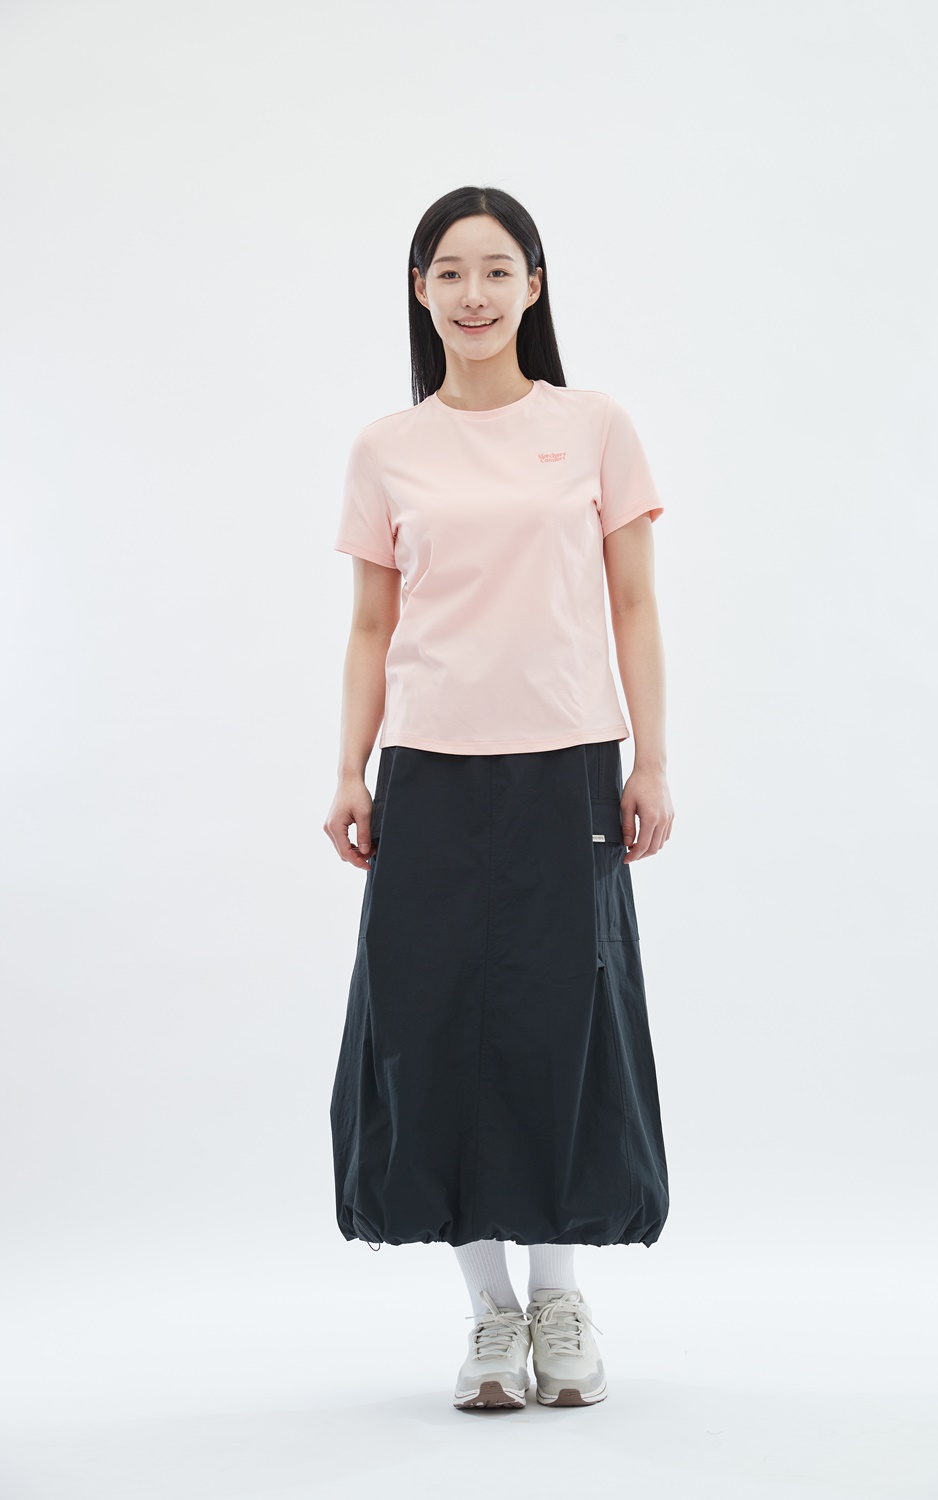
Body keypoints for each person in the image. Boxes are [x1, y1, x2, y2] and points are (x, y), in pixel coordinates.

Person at [324, 185, 674, 1412]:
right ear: (419, 290)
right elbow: (372, 625)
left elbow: (634, 602)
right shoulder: (387, 448)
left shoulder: (593, 428)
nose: (472, 295)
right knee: (432, 1027)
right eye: (448, 272)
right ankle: (488, 1312)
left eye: (495, 270)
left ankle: (560, 1296)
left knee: (558, 1026)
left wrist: (651, 758)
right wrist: (350, 767)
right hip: (428, 769)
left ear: (533, 285)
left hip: (567, 764)